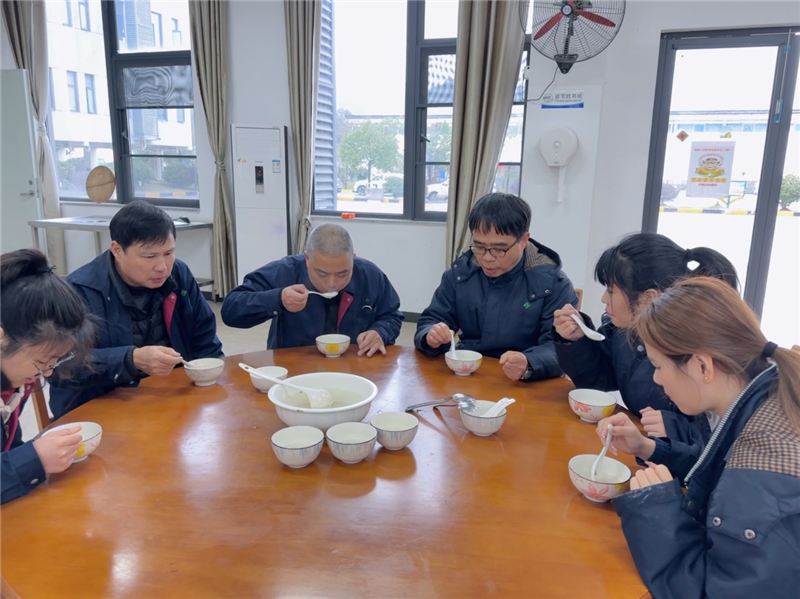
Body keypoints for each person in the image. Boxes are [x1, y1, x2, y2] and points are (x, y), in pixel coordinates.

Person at [597, 277, 800, 598]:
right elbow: (718, 472)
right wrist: (648, 448)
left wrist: (655, 510)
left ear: (702, 366)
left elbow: (715, 591)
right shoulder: (763, 395)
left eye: (658, 366)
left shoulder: (761, 471)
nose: (656, 379)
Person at [553, 233, 738, 478]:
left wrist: (673, 427)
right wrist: (577, 341)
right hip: (651, 456)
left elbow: (720, 442)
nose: (604, 299)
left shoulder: (695, 352)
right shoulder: (625, 331)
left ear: (648, 298)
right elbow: (600, 379)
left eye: (611, 291)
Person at [49, 202, 223, 418]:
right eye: (149, 256)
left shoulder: (178, 274)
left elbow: (205, 340)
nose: (162, 267)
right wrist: (130, 359)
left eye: (169, 253)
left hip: (171, 397)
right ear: (117, 250)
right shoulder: (78, 291)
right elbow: (60, 366)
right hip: (101, 406)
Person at [414, 193, 578, 381]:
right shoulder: (461, 274)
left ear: (524, 240)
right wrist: (431, 335)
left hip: (524, 381)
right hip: (469, 375)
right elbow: (433, 318)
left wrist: (529, 362)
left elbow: (560, 347)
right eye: (479, 246)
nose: (487, 258)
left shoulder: (552, 283)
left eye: (499, 249)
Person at [1, 249, 96, 504]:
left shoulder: (12, 380)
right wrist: (33, 460)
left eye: (55, 362)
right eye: (41, 362)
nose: (47, 373)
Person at [222, 224, 403, 356]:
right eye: (322, 273)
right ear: (307, 259)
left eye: (342, 273)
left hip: (354, 365)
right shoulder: (285, 272)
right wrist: (278, 299)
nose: (332, 283)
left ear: (352, 259)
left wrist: (380, 332)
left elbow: (392, 315)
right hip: (294, 367)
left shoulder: (369, 275)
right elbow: (231, 310)